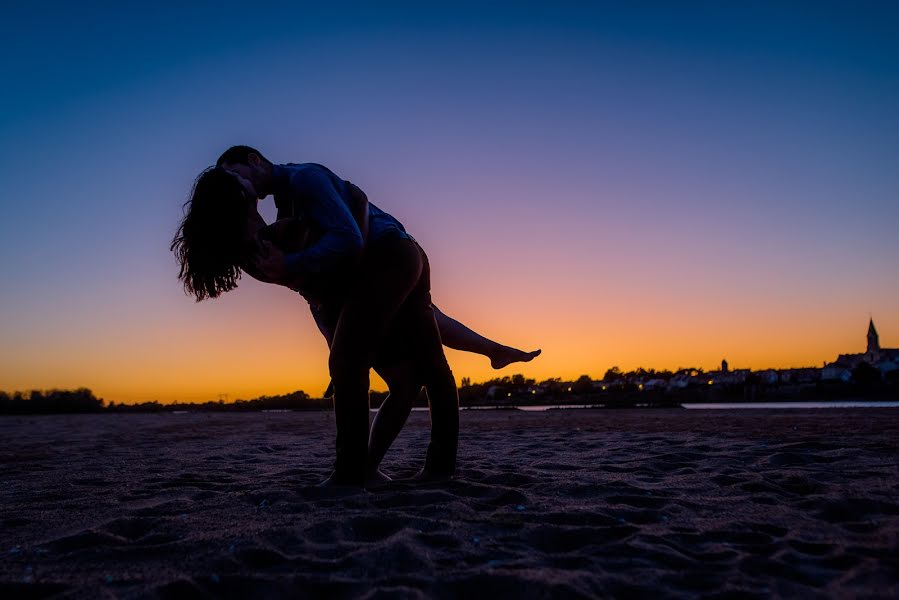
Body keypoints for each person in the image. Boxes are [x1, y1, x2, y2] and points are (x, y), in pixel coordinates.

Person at [171, 152, 539, 486]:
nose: (241, 182)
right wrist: (334, 337)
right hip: (384, 264)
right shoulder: (274, 230)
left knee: (402, 363)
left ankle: (361, 474)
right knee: (414, 373)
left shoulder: (301, 187)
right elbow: (317, 296)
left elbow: (350, 232)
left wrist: (332, 329)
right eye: (231, 181)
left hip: (390, 255)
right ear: (227, 206)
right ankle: (394, 468)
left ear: (253, 162)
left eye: (234, 173)